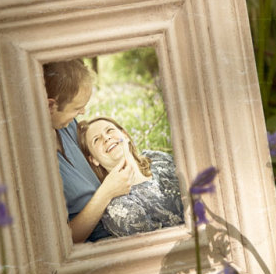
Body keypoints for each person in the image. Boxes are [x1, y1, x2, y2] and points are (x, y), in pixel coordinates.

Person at [44, 60, 132, 243]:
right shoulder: (33, 162)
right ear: (50, 106)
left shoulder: (66, 127)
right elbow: (62, 242)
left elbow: (96, 156)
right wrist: (106, 192)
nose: (83, 112)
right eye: (76, 108)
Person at [77, 116, 184, 237]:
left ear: (125, 135)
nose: (106, 138)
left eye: (109, 130)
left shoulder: (156, 158)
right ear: (94, 159)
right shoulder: (118, 209)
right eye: (96, 140)